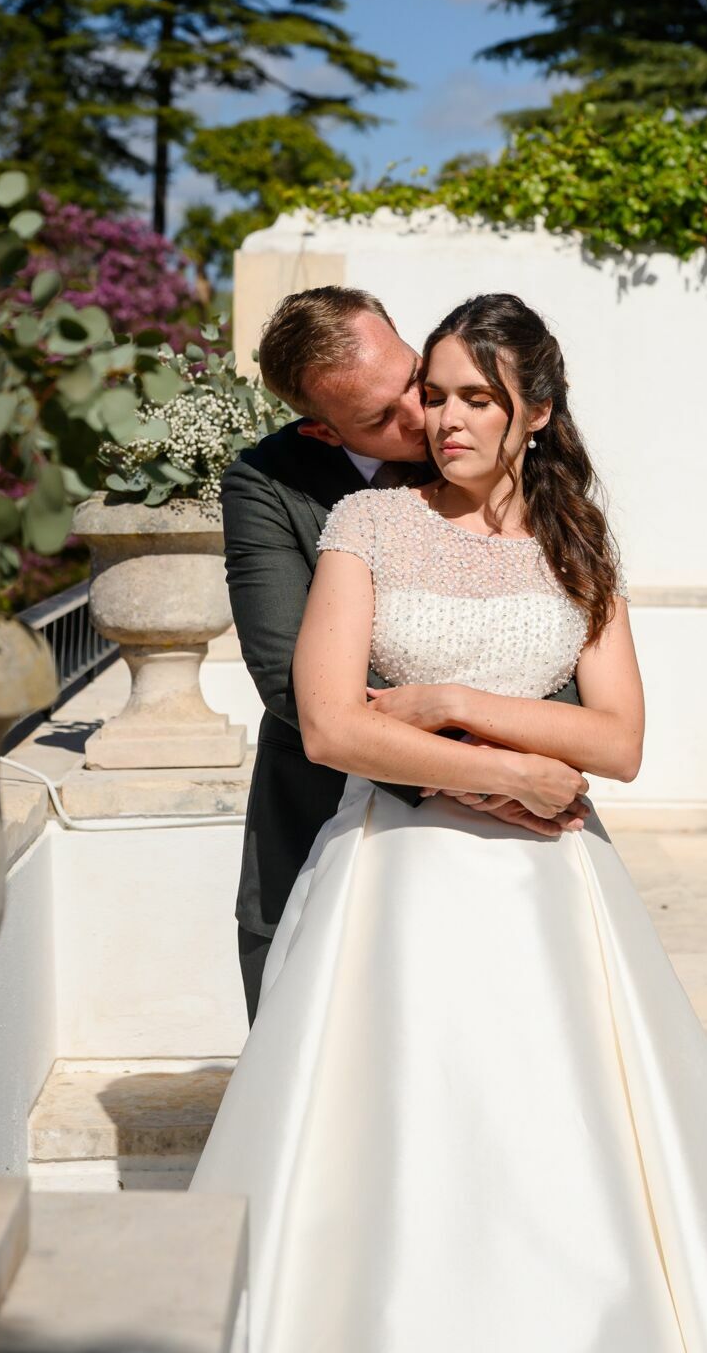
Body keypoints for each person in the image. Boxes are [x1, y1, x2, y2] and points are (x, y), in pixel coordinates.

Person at [192, 292, 707, 1352]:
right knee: (398, 1133)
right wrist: (508, 774)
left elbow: (621, 741)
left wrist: (453, 703)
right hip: (392, 875)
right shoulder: (359, 519)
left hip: (550, 883)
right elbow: (323, 716)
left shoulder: (578, 540)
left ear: (532, 410)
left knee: (564, 1134)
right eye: (427, 397)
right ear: (327, 426)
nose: (436, 416)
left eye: (464, 395)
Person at [221, 286, 587, 1023]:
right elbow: (291, 685)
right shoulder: (265, 485)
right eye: (380, 418)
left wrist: (510, 757)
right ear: (324, 433)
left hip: (521, 840)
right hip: (329, 821)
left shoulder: (514, 464)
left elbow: (558, 647)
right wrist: (488, 772)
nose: (426, 417)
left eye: (412, 380)